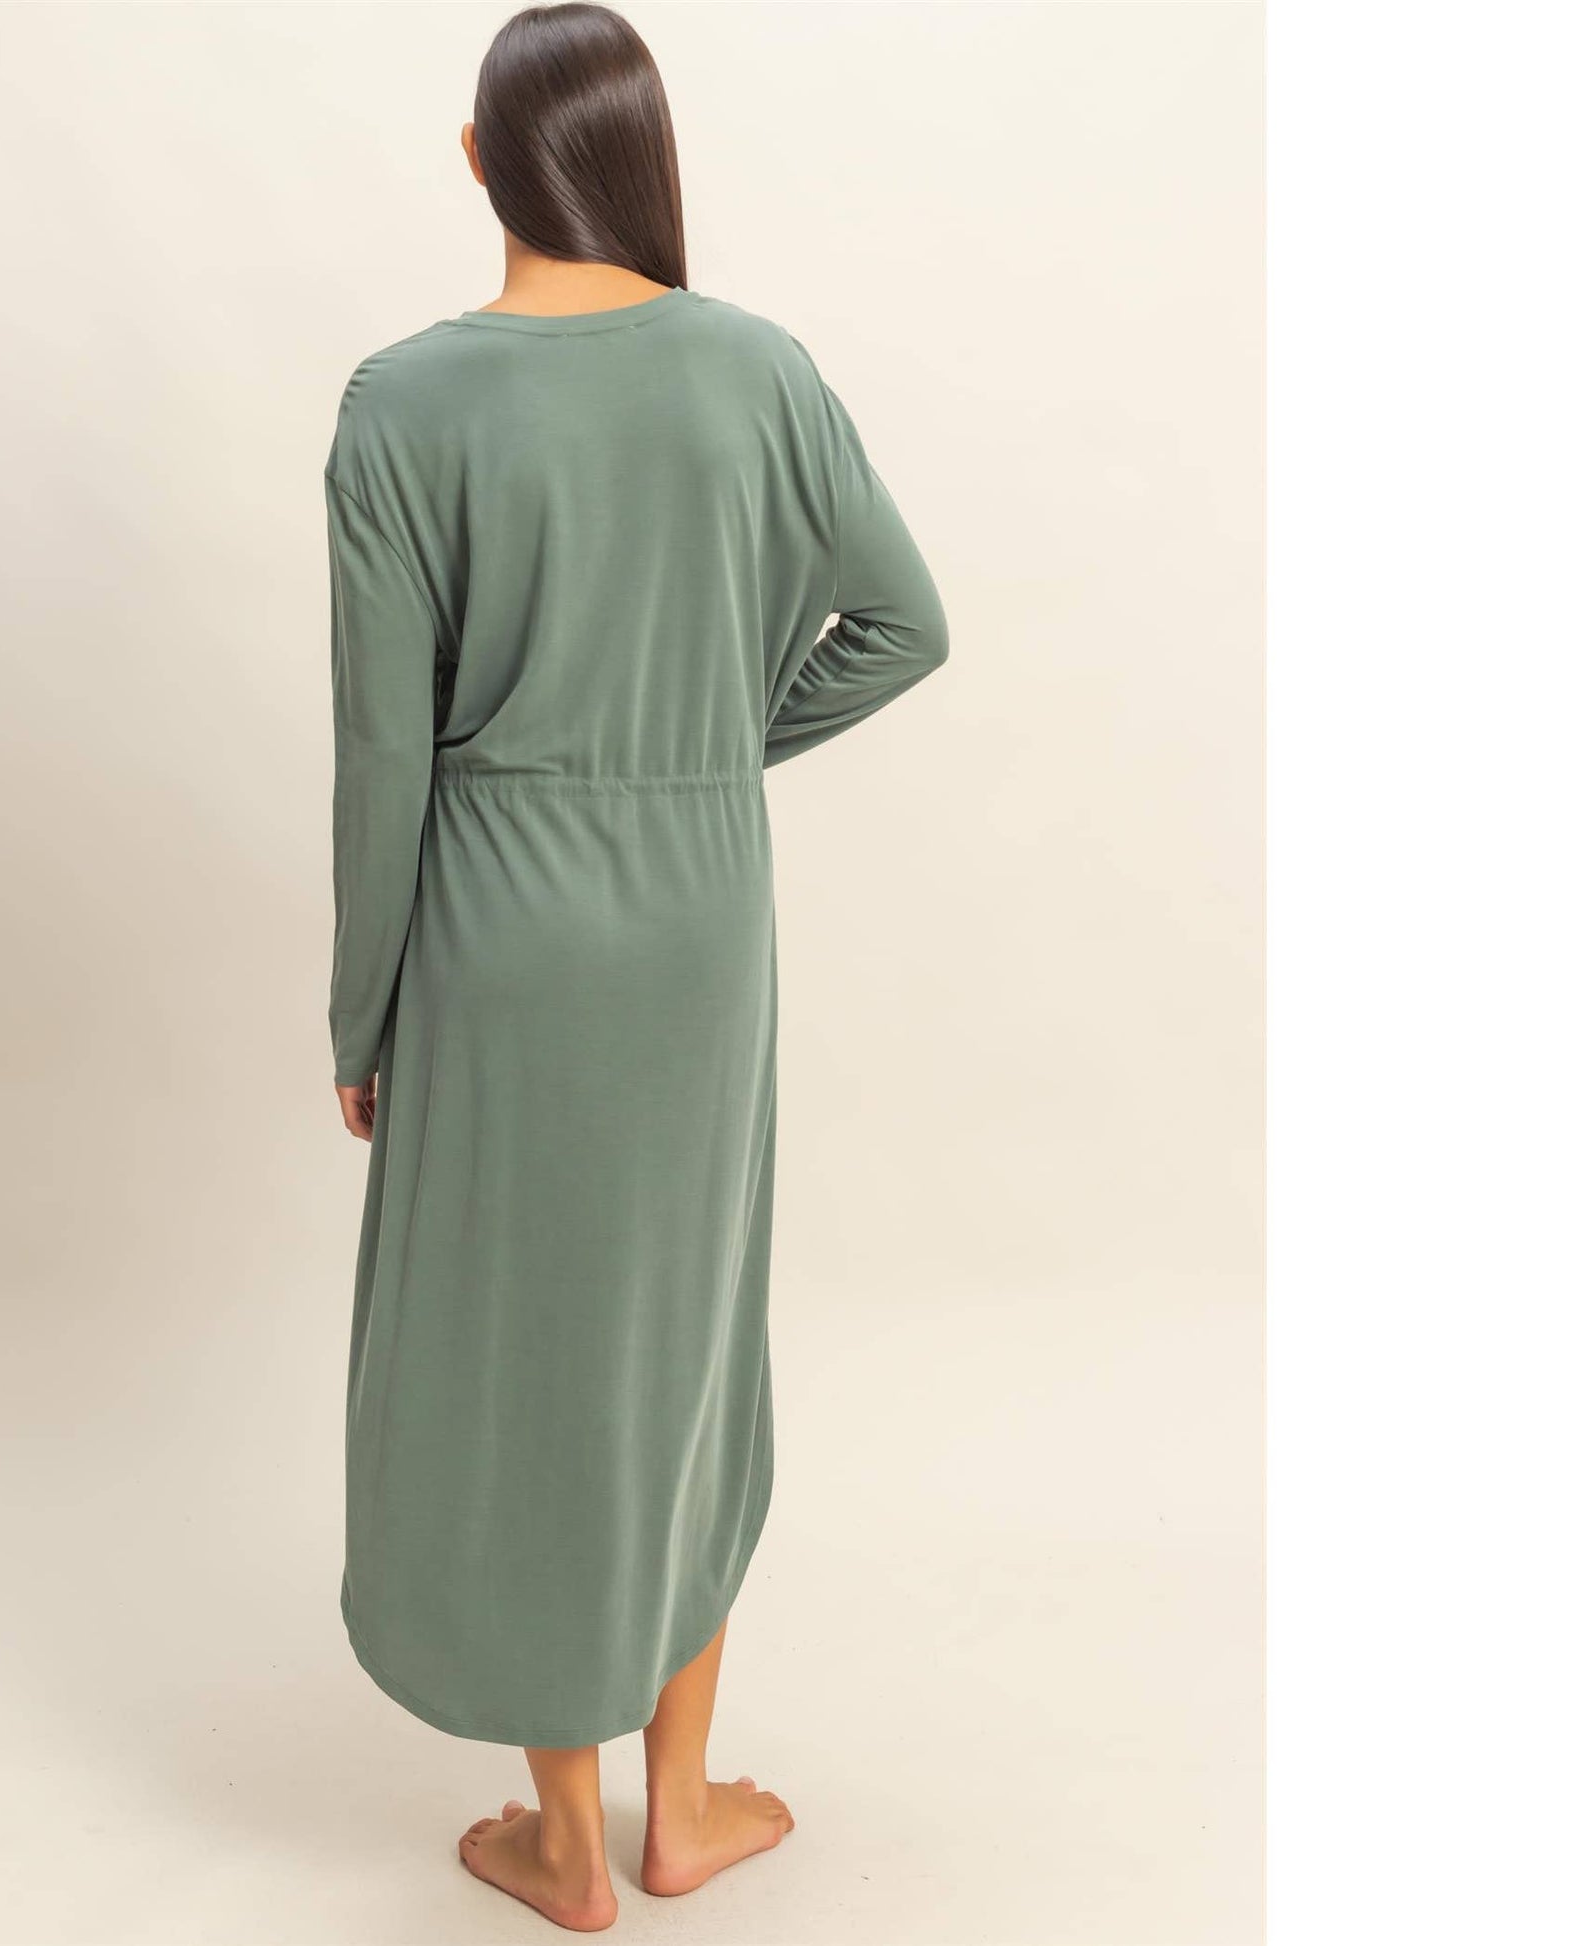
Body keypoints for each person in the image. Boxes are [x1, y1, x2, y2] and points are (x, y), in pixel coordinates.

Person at [325, 3, 947, 1929]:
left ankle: (564, 1834)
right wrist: (697, 743)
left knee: (528, 1354)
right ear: (645, 158)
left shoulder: (404, 403)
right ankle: (679, 1810)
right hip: (695, 923)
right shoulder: (754, 369)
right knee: (683, 1338)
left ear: (477, 158)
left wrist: (362, 1011)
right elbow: (902, 623)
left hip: (494, 927)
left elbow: (380, 755)